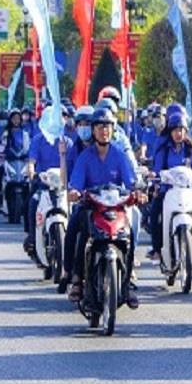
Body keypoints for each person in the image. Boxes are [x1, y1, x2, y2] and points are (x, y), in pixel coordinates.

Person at [63, 108, 140, 307]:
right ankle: (76, 279)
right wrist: (75, 192)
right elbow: (76, 181)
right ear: (93, 130)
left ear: (113, 129)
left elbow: (131, 181)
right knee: (77, 230)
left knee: (129, 235)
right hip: (91, 207)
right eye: (99, 126)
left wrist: (138, 192)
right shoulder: (85, 156)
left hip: (115, 208)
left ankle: (129, 280)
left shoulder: (119, 154)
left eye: (107, 126)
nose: (103, 130)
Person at [148, 112, 192, 261]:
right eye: (176, 130)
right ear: (170, 131)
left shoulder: (190, 149)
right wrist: (155, 178)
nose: (179, 133)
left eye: (182, 130)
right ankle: (157, 249)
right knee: (155, 213)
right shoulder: (163, 149)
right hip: (167, 191)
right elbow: (157, 168)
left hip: (187, 192)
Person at [23, 122, 72, 255]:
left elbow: (73, 162)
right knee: (32, 202)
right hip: (43, 184)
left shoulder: (66, 142)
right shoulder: (37, 140)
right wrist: (31, 171)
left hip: (63, 185)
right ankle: (32, 237)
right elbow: (31, 162)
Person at [66, 105, 95, 177]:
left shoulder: (102, 148)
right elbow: (68, 175)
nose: (83, 128)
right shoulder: (74, 150)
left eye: (87, 124)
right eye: (80, 125)